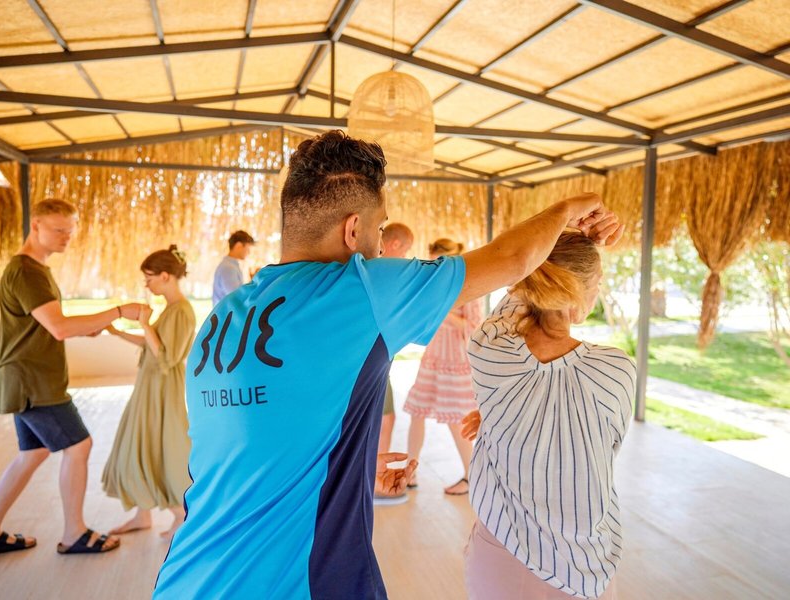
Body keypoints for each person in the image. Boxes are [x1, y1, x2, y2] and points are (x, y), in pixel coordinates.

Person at [154, 130, 622, 599]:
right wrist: (569, 208)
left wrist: (348, 469)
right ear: (353, 229)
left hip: (187, 577)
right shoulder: (361, 289)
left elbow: (239, 445)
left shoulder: (223, 318)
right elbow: (512, 259)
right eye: (379, 232)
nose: (380, 249)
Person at [461, 232, 634, 600]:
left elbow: (507, 309)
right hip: (587, 567)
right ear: (578, 291)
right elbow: (605, 449)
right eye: (597, 282)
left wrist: (500, 418)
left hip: (502, 550)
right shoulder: (616, 369)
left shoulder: (490, 354)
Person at [0, 199, 144, 557]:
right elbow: (58, 327)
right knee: (79, 446)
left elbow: (49, 324)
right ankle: (74, 533)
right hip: (32, 381)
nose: (66, 237)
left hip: (27, 378)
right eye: (59, 230)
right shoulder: (26, 271)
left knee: (33, 453)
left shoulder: (36, 269)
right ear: (36, 225)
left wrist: (88, 327)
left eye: (70, 231)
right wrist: (119, 311)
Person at [102, 245, 196, 540]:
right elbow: (150, 343)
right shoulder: (170, 308)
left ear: (165, 276)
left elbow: (168, 357)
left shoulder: (181, 311)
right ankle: (142, 514)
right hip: (150, 385)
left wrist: (144, 324)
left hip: (163, 388)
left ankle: (179, 513)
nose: (147, 284)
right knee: (140, 442)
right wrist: (117, 332)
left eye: (149, 278)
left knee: (163, 445)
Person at [403, 238, 483, 496]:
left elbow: (474, 327)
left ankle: (471, 477)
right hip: (434, 355)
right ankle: (410, 471)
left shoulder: (469, 284)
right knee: (417, 411)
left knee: (457, 419)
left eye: (439, 261)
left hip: (456, 358)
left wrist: (441, 312)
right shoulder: (434, 285)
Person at [374, 223, 415, 506]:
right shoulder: (383, 274)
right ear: (396, 244)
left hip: (377, 361)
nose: (406, 256)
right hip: (371, 364)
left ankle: (373, 474)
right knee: (385, 419)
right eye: (406, 250)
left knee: (385, 418)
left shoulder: (372, 272)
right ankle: (375, 477)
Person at [212, 230, 255, 305]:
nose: (249, 252)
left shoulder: (230, 265)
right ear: (239, 245)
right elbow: (237, 298)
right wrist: (255, 282)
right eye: (248, 248)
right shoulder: (228, 268)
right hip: (226, 312)